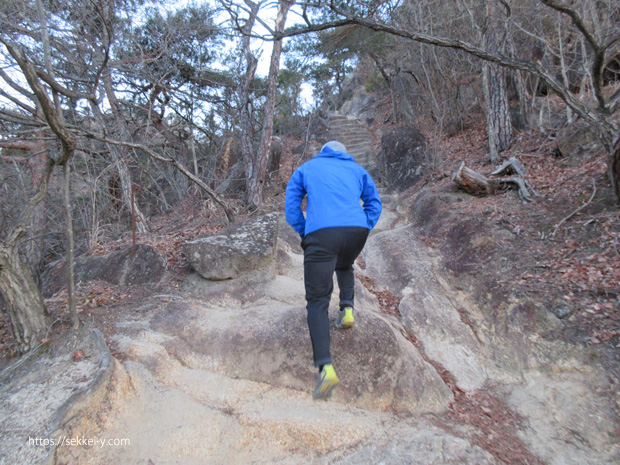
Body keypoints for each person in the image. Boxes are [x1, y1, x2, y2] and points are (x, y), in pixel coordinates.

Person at [285, 140, 382, 400]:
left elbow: (292, 205)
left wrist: (305, 231)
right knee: (344, 263)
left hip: (322, 233)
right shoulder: (358, 170)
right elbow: (375, 202)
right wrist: (364, 224)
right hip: (356, 232)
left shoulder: (306, 168)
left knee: (317, 301)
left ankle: (326, 370)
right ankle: (347, 309)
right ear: (344, 154)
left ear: (324, 152)